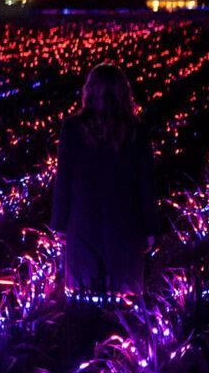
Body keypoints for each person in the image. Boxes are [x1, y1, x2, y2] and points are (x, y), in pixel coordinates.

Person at [49, 63, 157, 303]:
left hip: (83, 222)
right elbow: (146, 184)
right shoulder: (136, 130)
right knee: (123, 302)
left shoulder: (72, 128)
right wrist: (150, 228)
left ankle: (87, 333)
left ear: (89, 91)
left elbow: (63, 180)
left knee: (84, 298)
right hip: (126, 225)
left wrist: (59, 224)